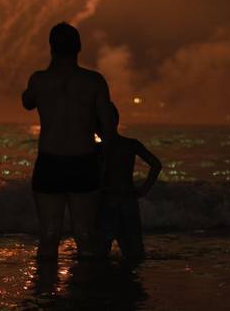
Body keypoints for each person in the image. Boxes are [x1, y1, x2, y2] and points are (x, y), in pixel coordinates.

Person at [22, 22, 116, 261]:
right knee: (85, 235)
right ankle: (86, 294)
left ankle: (44, 293)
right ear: (79, 47)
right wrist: (105, 162)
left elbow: (27, 101)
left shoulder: (39, 80)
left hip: (49, 161)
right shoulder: (94, 81)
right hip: (83, 160)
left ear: (51, 47)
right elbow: (108, 128)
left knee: (49, 234)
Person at [96, 102, 161, 261]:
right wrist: (144, 189)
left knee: (101, 252)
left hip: (107, 200)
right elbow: (156, 165)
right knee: (134, 252)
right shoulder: (130, 144)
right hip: (128, 199)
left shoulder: (98, 149)